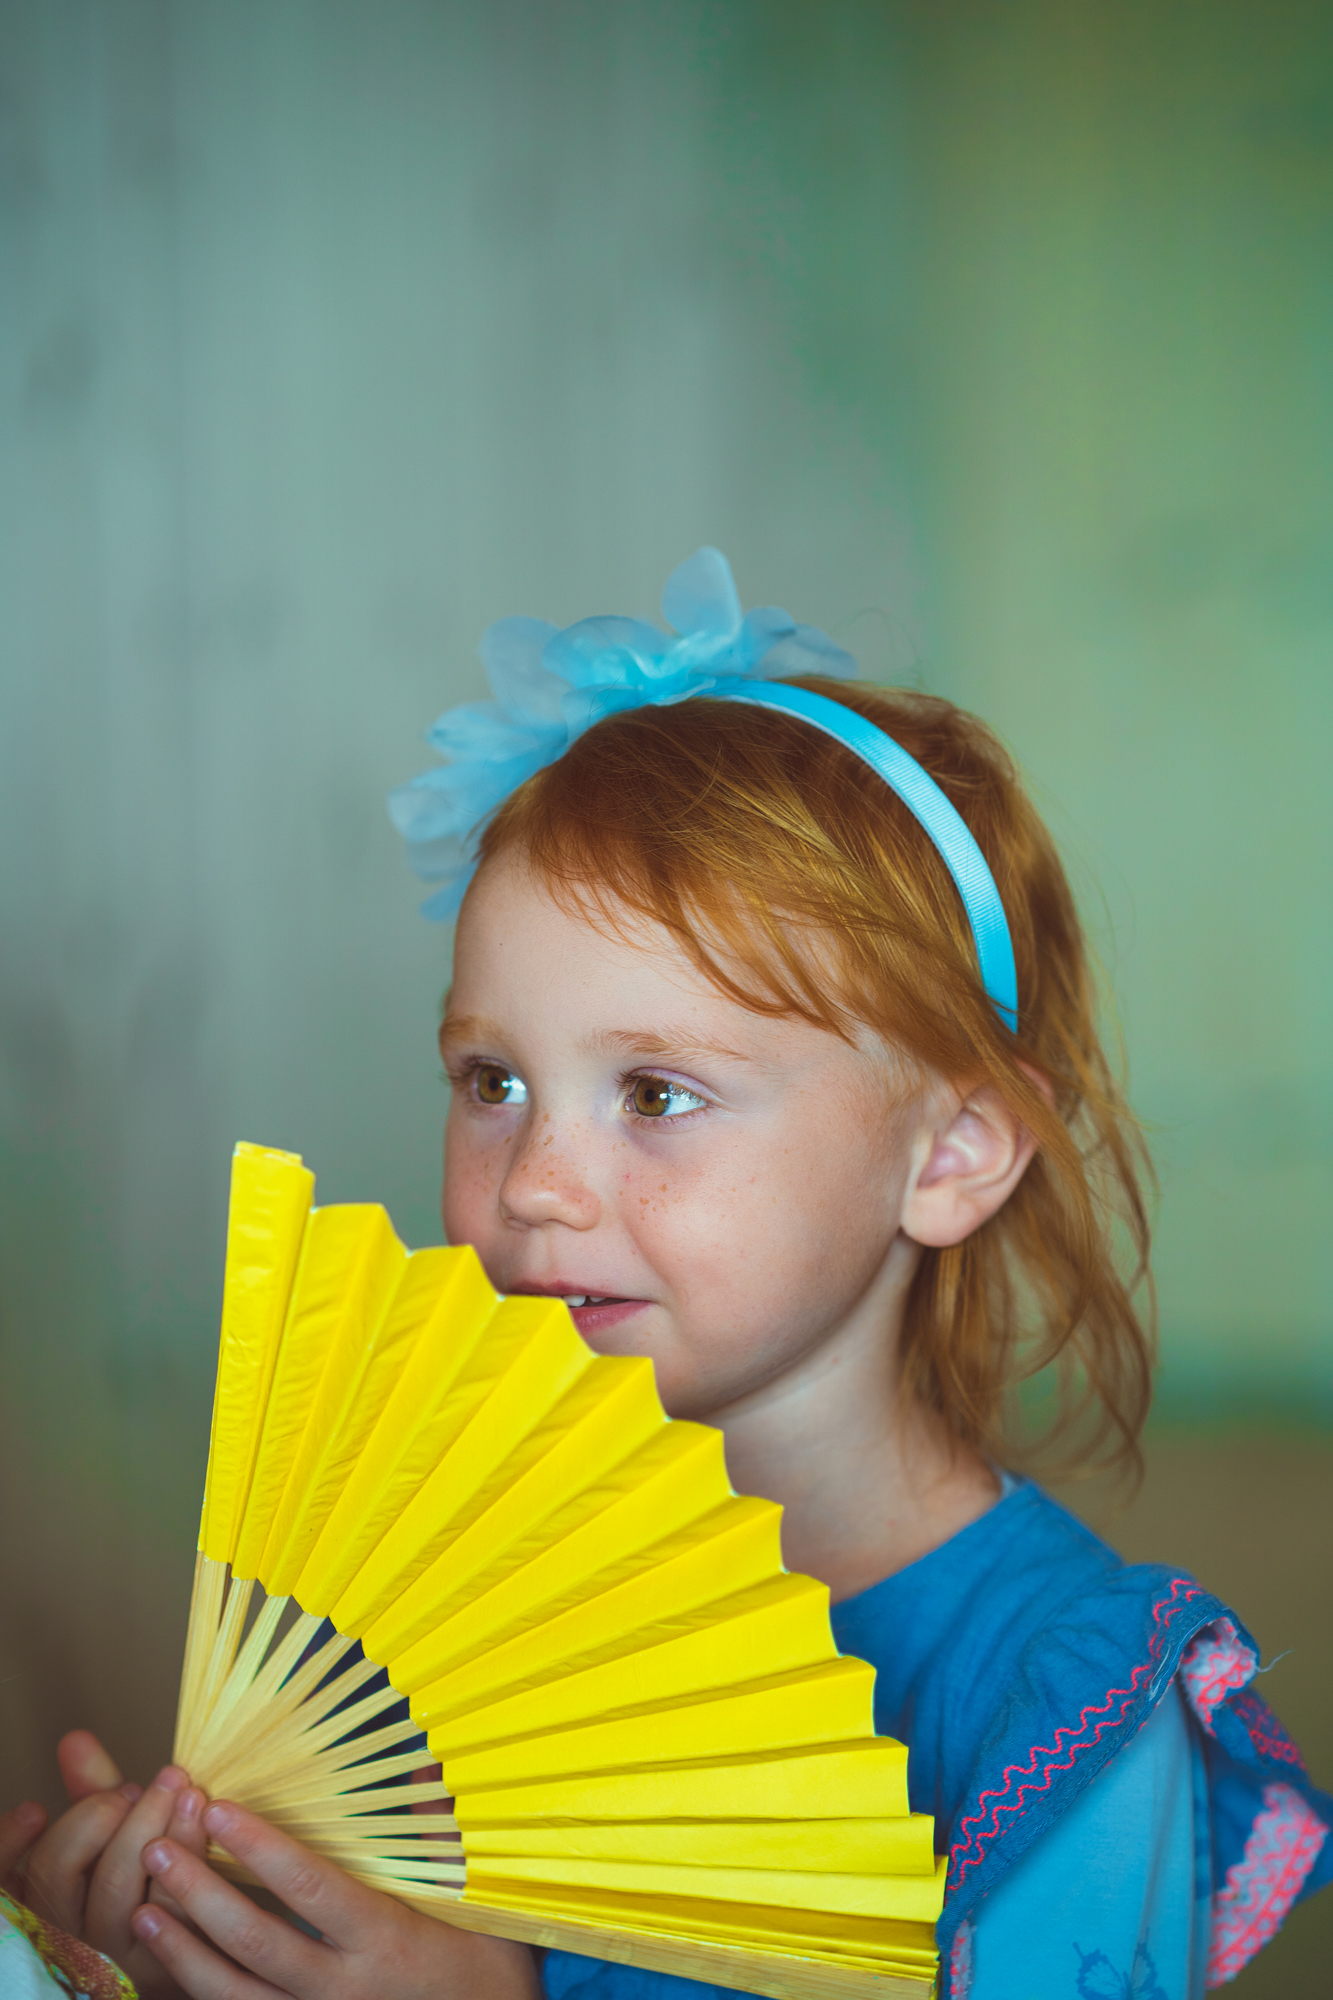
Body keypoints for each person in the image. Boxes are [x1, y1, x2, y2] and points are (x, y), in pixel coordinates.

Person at [10, 551, 1329, 1998]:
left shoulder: (1071, 1704)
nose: (533, 1181)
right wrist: (161, 1941)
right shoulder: (454, 1599)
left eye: (656, 1093)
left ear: (950, 1154)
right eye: (492, 1079)